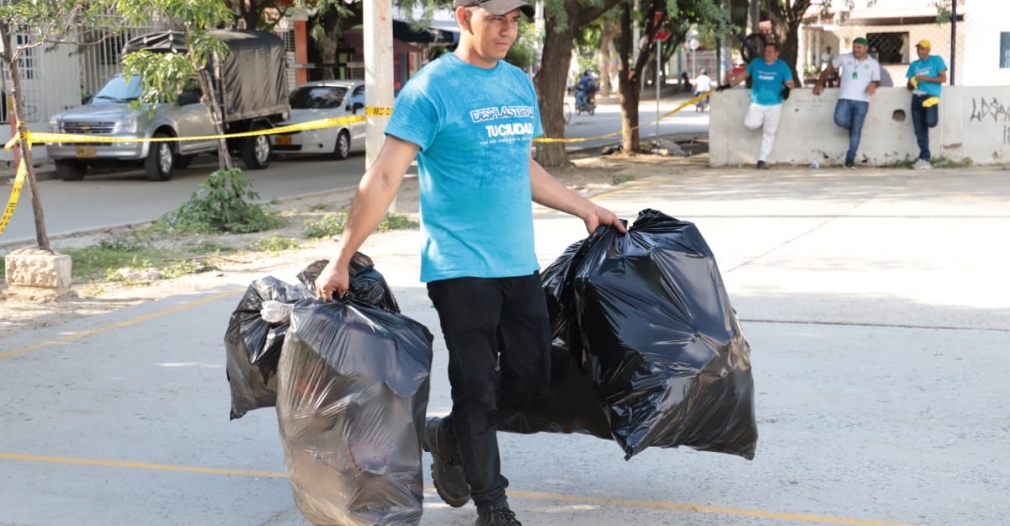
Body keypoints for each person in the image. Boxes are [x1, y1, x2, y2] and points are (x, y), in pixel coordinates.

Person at [312, 1, 626, 525]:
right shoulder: (431, 89)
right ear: (464, 17)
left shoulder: (519, 85)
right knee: (477, 384)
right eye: (496, 18)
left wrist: (584, 207)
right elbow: (384, 178)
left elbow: (522, 166)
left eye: (515, 20)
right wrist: (341, 257)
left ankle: (450, 433)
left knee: (531, 378)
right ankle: (493, 505)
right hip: (458, 267)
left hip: (516, 262)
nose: (508, 29)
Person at [717, 42, 794, 169]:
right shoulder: (756, 63)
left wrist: (787, 89)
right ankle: (762, 122)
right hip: (757, 103)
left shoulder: (782, 66)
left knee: (769, 133)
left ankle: (762, 160)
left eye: (770, 51)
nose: (767, 53)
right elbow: (742, 76)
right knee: (750, 124)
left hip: (775, 105)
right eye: (765, 51)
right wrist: (728, 85)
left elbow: (790, 82)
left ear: (776, 54)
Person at [813, 37, 881, 169]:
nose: (855, 50)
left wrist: (873, 84)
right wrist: (819, 83)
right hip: (845, 98)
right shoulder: (844, 58)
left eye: (859, 47)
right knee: (838, 119)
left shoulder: (873, 63)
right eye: (854, 47)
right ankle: (855, 129)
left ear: (866, 48)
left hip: (863, 100)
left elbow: (877, 80)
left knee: (856, 131)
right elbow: (828, 70)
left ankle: (849, 161)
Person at [905, 39, 947, 170]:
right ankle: (924, 158)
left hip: (930, 97)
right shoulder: (914, 65)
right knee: (919, 130)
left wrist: (925, 78)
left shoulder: (936, 60)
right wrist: (912, 82)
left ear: (928, 50)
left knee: (930, 122)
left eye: (923, 49)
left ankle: (925, 157)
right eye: (918, 49)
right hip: (916, 97)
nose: (920, 52)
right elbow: (908, 86)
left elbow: (943, 79)